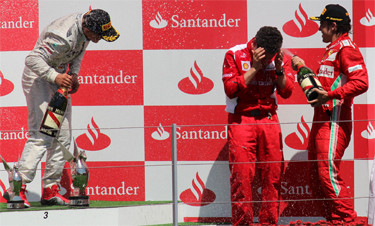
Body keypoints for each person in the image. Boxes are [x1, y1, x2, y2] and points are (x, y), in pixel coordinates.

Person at [3, 9, 120, 207]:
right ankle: (16, 188)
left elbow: (80, 51)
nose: (99, 40)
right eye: (98, 35)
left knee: (63, 137)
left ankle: (51, 189)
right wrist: (55, 76)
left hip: (58, 78)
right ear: (86, 27)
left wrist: (73, 74)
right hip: (38, 79)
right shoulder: (61, 35)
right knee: (42, 135)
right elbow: (31, 60)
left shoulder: (86, 30)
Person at [292, 4, 368, 224]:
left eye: (321, 25)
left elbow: (361, 82)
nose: (318, 30)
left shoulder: (346, 48)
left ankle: (347, 220)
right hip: (322, 117)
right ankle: (334, 219)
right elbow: (325, 84)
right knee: (315, 175)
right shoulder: (334, 47)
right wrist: (303, 69)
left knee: (327, 172)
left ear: (333, 26)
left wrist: (331, 96)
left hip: (335, 118)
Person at [222, 26, 294, 225]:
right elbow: (230, 90)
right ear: (255, 45)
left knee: (273, 175)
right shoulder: (234, 54)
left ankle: (269, 222)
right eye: (264, 56)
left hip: (269, 119)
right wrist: (254, 67)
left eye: (270, 57)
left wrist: (278, 69)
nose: (267, 61)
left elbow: (287, 92)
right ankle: (243, 223)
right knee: (242, 176)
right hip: (242, 119)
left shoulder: (278, 57)